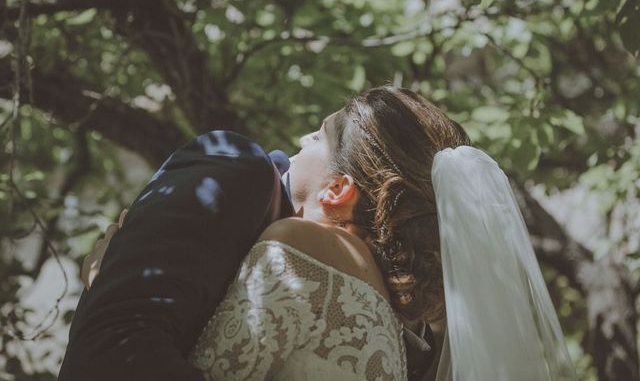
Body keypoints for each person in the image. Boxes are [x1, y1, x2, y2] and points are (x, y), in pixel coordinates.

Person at [69, 86, 577, 380]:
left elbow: (116, 345)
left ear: (337, 189)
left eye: (315, 136)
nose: (295, 143)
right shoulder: (411, 344)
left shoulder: (236, 170)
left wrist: (101, 284)